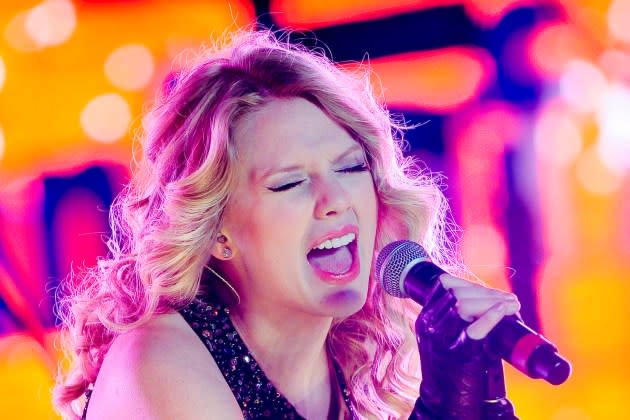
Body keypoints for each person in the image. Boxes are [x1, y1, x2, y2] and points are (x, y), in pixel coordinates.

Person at [53, 30, 521, 419]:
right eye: (290, 183)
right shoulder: (159, 364)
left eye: (351, 167)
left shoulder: (346, 356)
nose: (335, 200)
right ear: (217, 231)